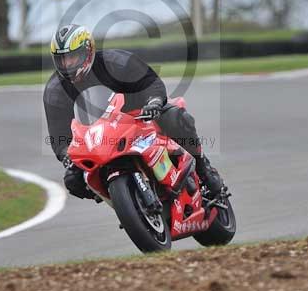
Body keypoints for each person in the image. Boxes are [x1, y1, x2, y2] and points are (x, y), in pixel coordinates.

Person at [43, 23, 224, 200]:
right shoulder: (55, 91)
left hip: (138, 116)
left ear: (87, 51)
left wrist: (153, 103)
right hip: (98, 138)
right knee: (73, 180)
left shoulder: (115, 62)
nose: (67, 64)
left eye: (72, 57)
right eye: (61, 59)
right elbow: (59, 135)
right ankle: (121, 198)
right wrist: (66, 155)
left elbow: (150, 82)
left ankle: (203, 168)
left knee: (175, 117)